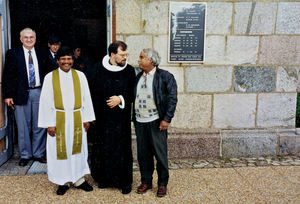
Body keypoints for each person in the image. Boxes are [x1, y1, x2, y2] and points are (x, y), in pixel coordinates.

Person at [38, 46, 95, 195]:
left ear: (73, 60)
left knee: (77, 149)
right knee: (60, 151)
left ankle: (79, 179)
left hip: (77, 118)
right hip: (58, 119)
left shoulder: (80, 76)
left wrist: (88, 118)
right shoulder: (50, 77)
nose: (66, 62)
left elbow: (86, 98)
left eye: (69, 59)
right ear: (58, 61)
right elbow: (45, 101)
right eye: (63, 59)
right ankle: (63, 181)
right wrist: (49, 123)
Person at [90, 41, 136, 194]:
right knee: (104, 148)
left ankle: (125, 182)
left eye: (126, 54)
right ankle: (104, 179)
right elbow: (92, 92)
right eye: (122, 55)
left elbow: (133, 92)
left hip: (121, 119)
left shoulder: (129, 70)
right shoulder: (97, 69)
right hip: (103, 118)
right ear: (112, 55)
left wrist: (120, 99)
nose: (125, 57)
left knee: (122, 149)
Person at [134, 48, 177, 197]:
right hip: (140, 121)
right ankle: (146, 181)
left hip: (156, 122)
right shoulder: (138, 76)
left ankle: (162, 184)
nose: (139, 60)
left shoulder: (165, 77)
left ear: (151, 60)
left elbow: (172, 98)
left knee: (160, 154)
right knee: (143, 154)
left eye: (142, 57)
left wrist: (166, 119)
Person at [2, 28, 47, 166]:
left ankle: (38, 153)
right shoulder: (13, 54)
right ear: (21, 39)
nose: (29, 39)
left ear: (35, 38)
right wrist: (8, 95)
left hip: (39, 92)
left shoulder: (42, 52)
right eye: (26, 37)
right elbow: (7, 75)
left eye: (31, 37)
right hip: (20, 94)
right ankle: (26, 155)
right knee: (23, 126)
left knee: (39, 125)